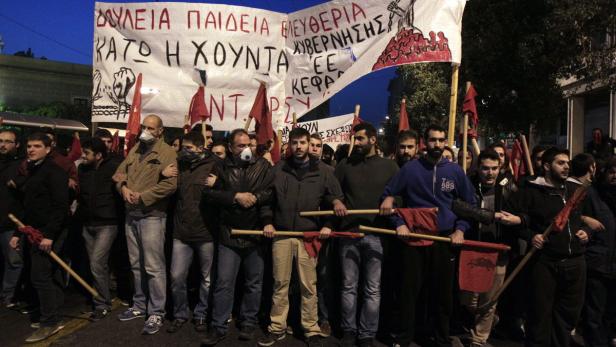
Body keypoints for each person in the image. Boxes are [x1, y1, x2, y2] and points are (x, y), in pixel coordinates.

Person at [381, 124, 476, 347]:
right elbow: (388, 196)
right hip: (414, 238)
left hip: (444, 240)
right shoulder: (410, 169)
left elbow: (470, 205)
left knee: (442, 295)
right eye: (433, 140)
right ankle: (404, 338)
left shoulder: (454, 171)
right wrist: (398, 222)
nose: (438, 145)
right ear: (425, 142)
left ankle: (442, 339)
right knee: (409, 292)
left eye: (441, 140)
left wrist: (460, 229)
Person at [258, 127, 345, 347]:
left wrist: (328, 223)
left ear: (309, 144)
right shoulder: (278, 170)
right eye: (295, 143)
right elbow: (267, 200)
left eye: (303, 143)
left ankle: (310, 328)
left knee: (309, 285)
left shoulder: (324, 171)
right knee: (280, 283)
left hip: (309, 236)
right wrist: (267, 221)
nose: (299, 147)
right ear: (289, 144)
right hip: (282, 234)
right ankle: (277, 327)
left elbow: (334, 199)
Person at [505, 147, 590, 347]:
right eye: (560, 163)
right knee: (539, 317)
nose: (566, 166)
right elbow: (512, 221)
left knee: (567, 318)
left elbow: (585, 219)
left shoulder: (575, 189)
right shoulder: (531, 191)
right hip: (544, 264)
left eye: (567, 163)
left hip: (575, 263)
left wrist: (587, 231)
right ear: (546, 166)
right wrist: (530, 235)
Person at [201, 129, 274, 346]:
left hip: (255, 235)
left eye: (249, 145)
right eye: (240, 146)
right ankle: (218, 325)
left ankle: (248, 322)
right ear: (231, 148)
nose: (246, 149)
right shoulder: (221, 167)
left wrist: (255, 198)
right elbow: (208, 195)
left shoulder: (262, 166)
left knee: (254, 283)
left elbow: (270, 192)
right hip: (229, 235)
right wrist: (235, 197)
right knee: (224, 283)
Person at [334, 123, 399, 347]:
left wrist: (392, 200)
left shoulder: (390, 167)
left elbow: (401, 193)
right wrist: (336, 200)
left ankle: (367, 333)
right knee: (348, 285)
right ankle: (349, 330)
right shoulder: (344, 165)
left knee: (372, 288)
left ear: (373, 140)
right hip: (349, 233)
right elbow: (332, 191)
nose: (356, 142)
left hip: (376, 234)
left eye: (361, 139)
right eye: (355, 138)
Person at [113, 114, 178, 335]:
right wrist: (123, 188)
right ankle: (140, 305)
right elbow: (119, 173)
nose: (145, 131)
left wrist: (142, 196)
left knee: (153, 266)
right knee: (135, 264)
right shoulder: (135, 149)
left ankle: (156, 312)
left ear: (160, 131)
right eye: (144, 127)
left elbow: (170, 185)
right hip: (131, 215)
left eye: (151, 128)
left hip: (152, 215)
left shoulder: (167, 152)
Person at [9, 132, 69, 343]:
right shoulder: (33, 170)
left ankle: (50, 322)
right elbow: (29, 206)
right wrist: (19, 233)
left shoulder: (55, 173)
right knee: (47, 275)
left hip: (49, 232)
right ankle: (52, 314)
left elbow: (61, 207)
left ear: (48, 149)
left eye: (36, 146)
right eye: (29, 146)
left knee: (40, 276)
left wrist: (50, 236)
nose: (31, 150)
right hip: (34, 230)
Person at [454, 149, 517, 347]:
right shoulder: (468, 185)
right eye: (485, 168)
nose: (489, 173)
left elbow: (522, 213)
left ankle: (479, 339)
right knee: (469, 299)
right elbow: (457, 206)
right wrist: (487, 215)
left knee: (490, 299)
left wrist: (516, 220)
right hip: (472, 248)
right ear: (478, 168)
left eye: (494, 168)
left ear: (500, 168)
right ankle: (486, 320)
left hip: (498, 250)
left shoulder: (510, 188)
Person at [162, 131, 220, 334]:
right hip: (182, 232)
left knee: (206, 278)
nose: (183, 151)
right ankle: (179, 314)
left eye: (188, 148)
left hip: (205, 233)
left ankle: (201, 314)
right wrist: (163, 175)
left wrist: (218, 183)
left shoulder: (214, 165)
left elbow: (224, 192)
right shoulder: (179, 164)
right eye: (182, 148)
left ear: (200, 148)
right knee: (177, 276)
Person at [77, 138, 122, 321]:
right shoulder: (82, 169)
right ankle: (103, 298)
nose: (82, 156)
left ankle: (102, 303)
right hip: (88, 224)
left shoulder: (114, 167)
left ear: (99, 155)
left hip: (107, 223)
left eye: (86, 153)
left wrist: (122, 181)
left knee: (97, 263)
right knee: (96, 265)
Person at [584, 157, 616, 347]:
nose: (615, 176)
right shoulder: (591, 194)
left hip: (613, 264)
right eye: (612, 171)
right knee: (594, 310)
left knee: (611, 310)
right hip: (597, 263)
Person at [0, 128, 23, 307]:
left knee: (14, 261)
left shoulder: (21, 166)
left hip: (10, 223)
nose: (3, 144)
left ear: (16, 145)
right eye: (1, 141)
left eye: (8, 141)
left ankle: (9, 295)